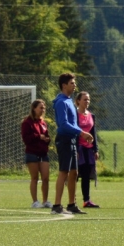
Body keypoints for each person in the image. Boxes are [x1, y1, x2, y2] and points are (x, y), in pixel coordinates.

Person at [52, 72, 91, 216]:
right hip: (64, 139)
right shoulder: (61, 102)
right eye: (72, 83)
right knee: (64, 172)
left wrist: (79, 135)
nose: (75, 85)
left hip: (72, 140)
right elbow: (63, 124)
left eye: (74, 83)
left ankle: (71, 204)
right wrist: (81, 132)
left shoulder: (69, 101)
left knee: (74, 172)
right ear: (64, 85)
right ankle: (56, 205)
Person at [21, 99, 52, 208]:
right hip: (32, 153)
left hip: (43, 153)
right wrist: (38, 137)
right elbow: (26, 139)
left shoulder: (43, 123)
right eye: (40, 108)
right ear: (34, 109)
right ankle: (35, 201)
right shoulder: (27, 122)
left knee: (46, 178)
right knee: (35, 178)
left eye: (44, 108)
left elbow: (47, 136)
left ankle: (45, 201)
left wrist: (47, 139)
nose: (43, 110)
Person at [75, 91, 100, 209]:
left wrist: (96, 149)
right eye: (85, 99)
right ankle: (72, 200)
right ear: (78, 101)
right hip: (78, 148)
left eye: (88, 99)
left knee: (86, 175)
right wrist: (75, 149)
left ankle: (86, 200)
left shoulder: (91, 115)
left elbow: (93, 133)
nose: (87, 101)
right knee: (74, 175)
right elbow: (73, 132)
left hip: (88, 149)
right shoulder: (74, 115)